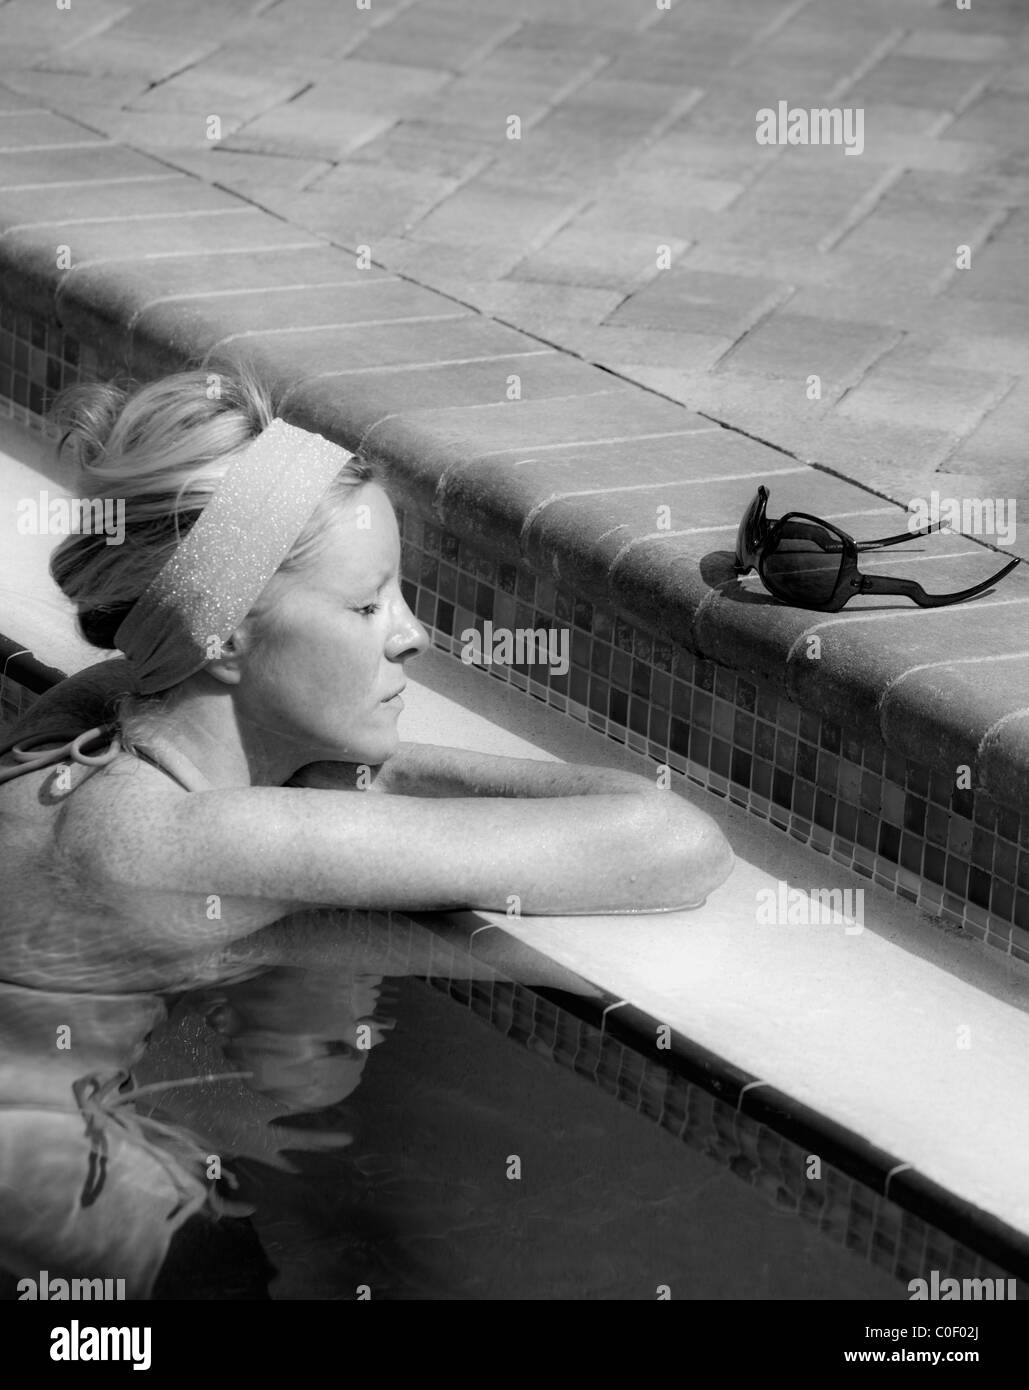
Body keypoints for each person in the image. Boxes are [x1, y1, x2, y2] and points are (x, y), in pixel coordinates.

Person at [0, 362, 734, 1295]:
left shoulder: (92, 722)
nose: (411, 635)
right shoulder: (191, 842)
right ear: (220, 636)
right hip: (44, 1204)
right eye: (365, 605)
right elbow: (671, 845)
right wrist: (386, 769)